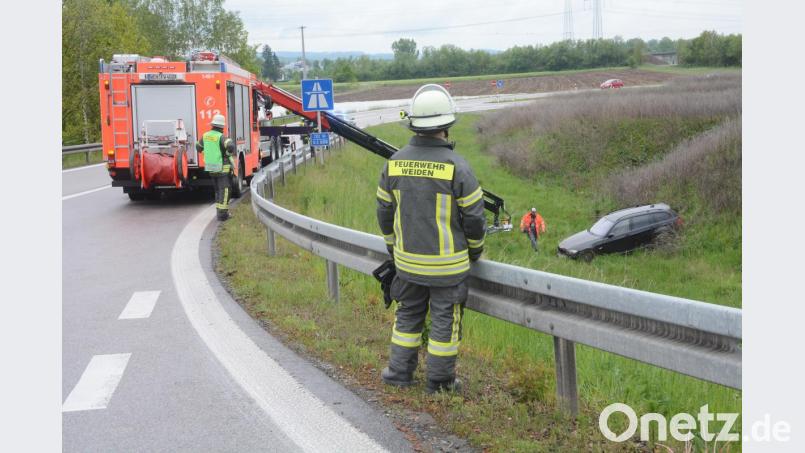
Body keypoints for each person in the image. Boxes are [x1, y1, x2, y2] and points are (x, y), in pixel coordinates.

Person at [376, 84, 486, 394]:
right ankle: (439, 383)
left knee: (407, 315)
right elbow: (475, 219)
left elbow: (384, 213)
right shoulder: (459, 168)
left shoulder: (393, 163)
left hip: (407, 263)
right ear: (447, 125)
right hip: (447, 270)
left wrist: (393, 248)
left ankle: (398, 374)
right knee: (443, 325)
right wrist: (474, 252)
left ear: (413, 124)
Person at [196, 114, 236, 221]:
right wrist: (227, 154)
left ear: (213, 125)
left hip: (211, 168)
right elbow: (231, 146)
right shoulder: (221, 137)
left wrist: (207, 152)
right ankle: (223, 215)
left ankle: (219, 212)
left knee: (218, 190)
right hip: (222, 169)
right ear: (222, 127)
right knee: (225, 190)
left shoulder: (205, 136)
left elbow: (198, 147)